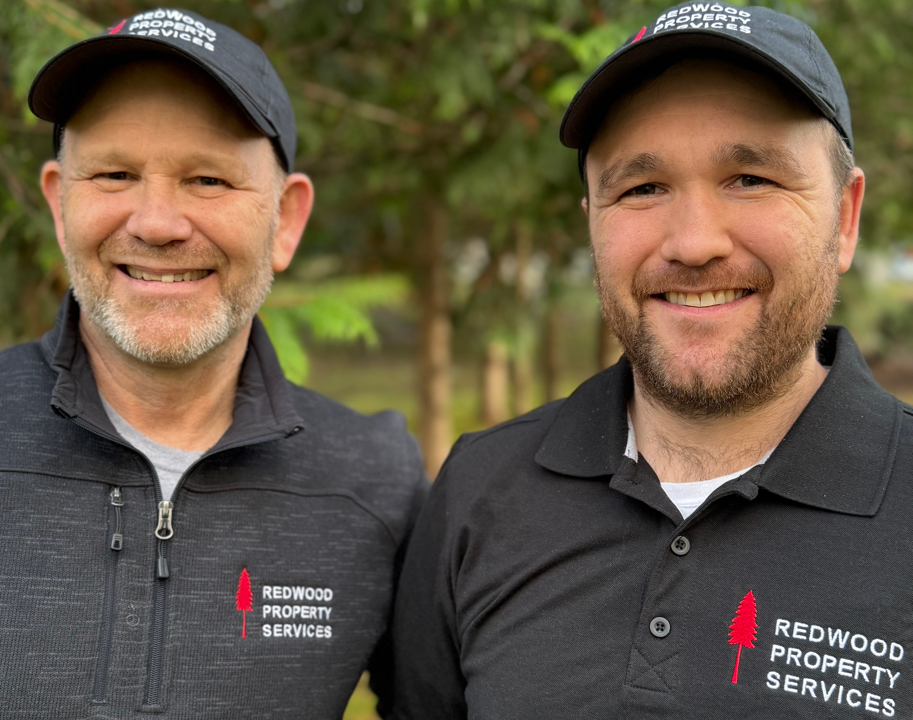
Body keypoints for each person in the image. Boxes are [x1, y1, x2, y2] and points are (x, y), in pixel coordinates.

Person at [390, 3, 912, 718]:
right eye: (642, 189)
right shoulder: (480, 489)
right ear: (593, 226)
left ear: (845, 219)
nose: (695, 243)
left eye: (751, 178)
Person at [0, 8, 427, 718]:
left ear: (286, 221)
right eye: (114, 174)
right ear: (59, 205)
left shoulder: (375, 482)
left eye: (207, 180)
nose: (157, 223)